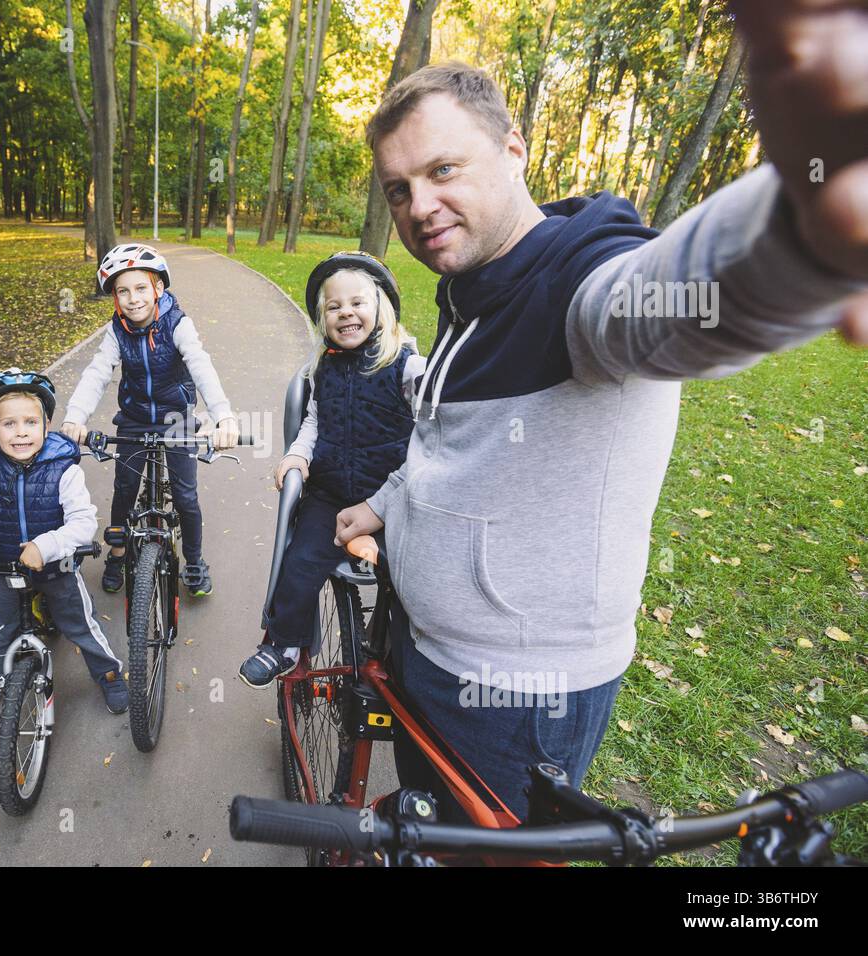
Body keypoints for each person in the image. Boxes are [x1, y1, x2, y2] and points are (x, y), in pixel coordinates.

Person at [332, 7, 868, 829]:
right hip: (424, 647)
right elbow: (446, 444)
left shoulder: (582, 286)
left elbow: (670, 303)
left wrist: (804, 222)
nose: (420, 205)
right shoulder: (469, 293)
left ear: (515, 152)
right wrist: (388, 504)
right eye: (400, 189)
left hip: (513, 696)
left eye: (444, 169)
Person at [239, 253, 424, 687]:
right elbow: (314, 421)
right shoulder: (324, 366)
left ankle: (409, 659)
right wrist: (298, 456)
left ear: (382, 307)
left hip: (390, 497)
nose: (346, 312)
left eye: (357, 302)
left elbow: (436, 428)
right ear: (323, 317)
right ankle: (284, 644)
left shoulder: (408, 367)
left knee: (412, 578)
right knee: (301, 562)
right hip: (331, 492)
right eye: (334, 306)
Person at [0, 370, 129, 731]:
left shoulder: (64, 471)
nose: (20, 432)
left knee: (80, 627)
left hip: (56, 569)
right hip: (7, 570)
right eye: (8, 424)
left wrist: (46, 546)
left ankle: (109, 675)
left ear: (46, 425)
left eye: (30, 422)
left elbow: (82, 524)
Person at [60, 243, 240, 597]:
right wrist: (74, 418)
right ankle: (117, 552)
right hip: (135, 419)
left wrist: (224, 418)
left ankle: (193, 560)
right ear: (114, 297)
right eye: (122, 291)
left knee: (186, 497)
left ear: (158, 288)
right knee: (124, 490)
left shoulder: (178, 324)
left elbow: (201, 367)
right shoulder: (116, 331)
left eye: (141, 288)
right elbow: (97, 372)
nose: (132, 299)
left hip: (176, 420)